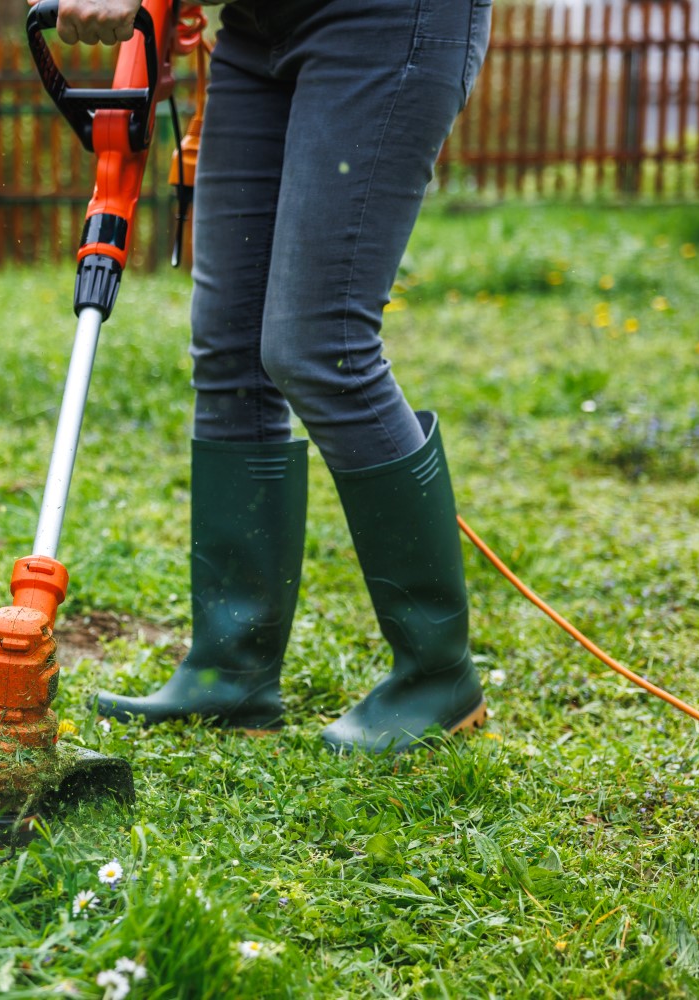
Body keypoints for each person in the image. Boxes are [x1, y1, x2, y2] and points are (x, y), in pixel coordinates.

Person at [40, 0, 494, 752]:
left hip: (381, 18)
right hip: (257, 26)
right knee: (230, 345)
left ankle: (437, 675)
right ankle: (233, 666)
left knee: (319, 345)